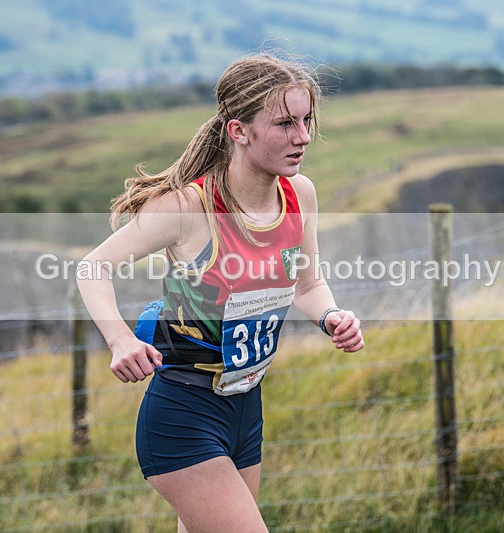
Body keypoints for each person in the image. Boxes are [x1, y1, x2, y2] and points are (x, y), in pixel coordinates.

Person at [76, 53, 364, 532]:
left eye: (306, 120)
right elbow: (93, 267)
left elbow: (309, 284)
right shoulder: (188, 207)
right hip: (184, 414)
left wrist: (331, 316)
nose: (303, 137)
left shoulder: (300, 195)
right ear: (238, 131)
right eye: (285, 124)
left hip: (246, 408)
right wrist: (121, 340)